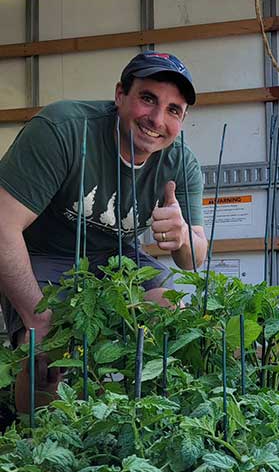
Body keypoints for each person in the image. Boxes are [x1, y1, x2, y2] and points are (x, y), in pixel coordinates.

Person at [0, 51, 208, 412]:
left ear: (183, 118)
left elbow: (195, 258)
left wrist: (183, 236)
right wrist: (37, 319)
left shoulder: (180, 163)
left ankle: (144, 426)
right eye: (148, 99)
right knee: (46, 357)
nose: (157, 119)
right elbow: (2, 227)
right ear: (120, 95)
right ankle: (35, 455)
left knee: (173, 318)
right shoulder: (62, 129)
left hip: (115, 259)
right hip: (43, 254)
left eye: (173, 110)